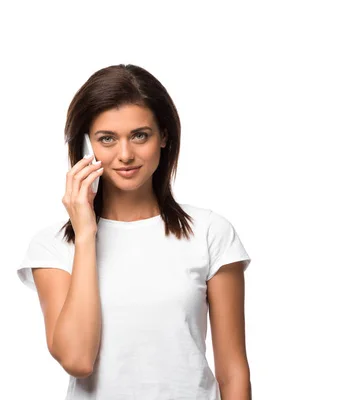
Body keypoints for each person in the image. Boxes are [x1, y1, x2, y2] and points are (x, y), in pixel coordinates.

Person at [16, 64, 252, 399]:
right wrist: (85, 235)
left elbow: (232, 371)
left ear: (164, 136)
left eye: (140, 135)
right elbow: (77, 359)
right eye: (107, 139)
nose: (125, 155)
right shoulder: (52, 246)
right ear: (86, 147)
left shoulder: (211, 232)